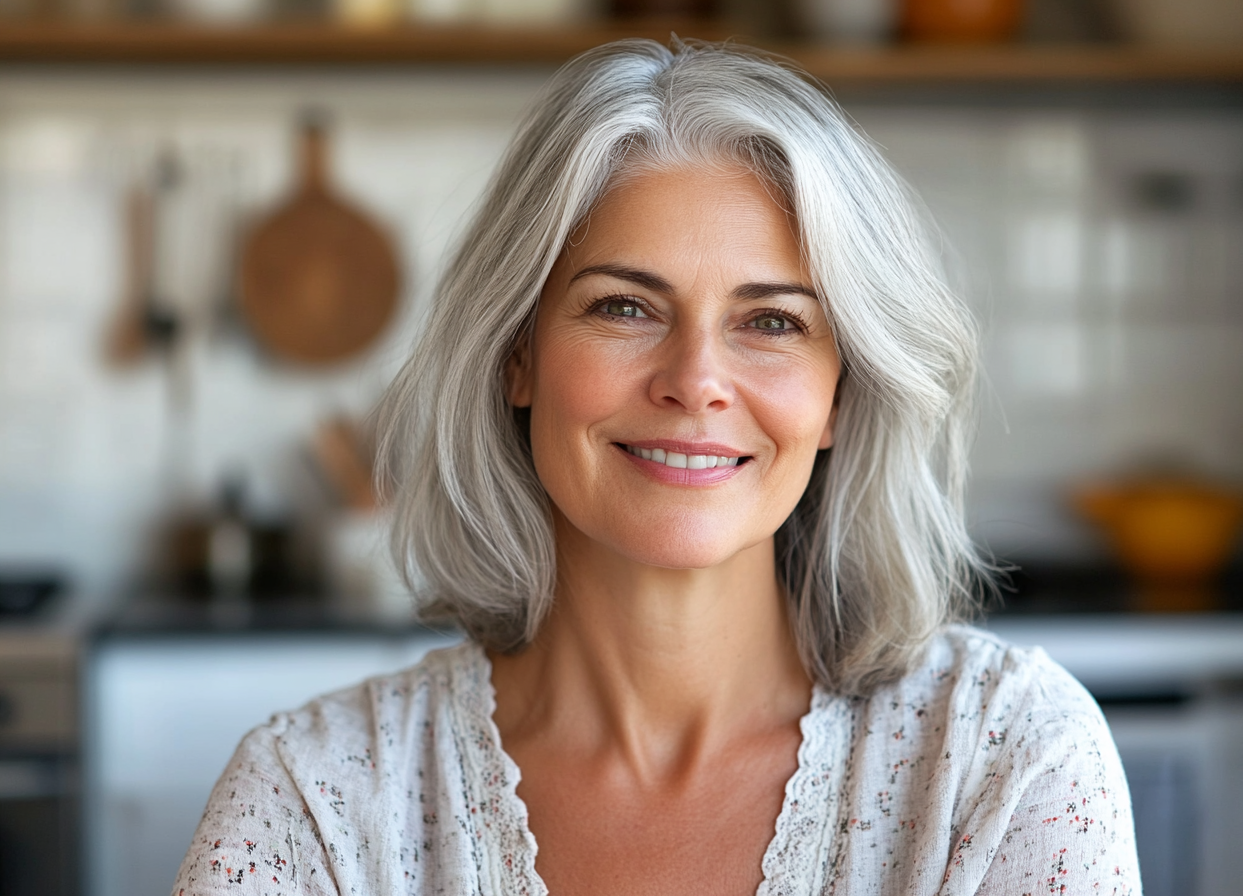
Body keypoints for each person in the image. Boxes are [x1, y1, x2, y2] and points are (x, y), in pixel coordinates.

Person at [174, 39, 1140, 896]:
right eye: (624, 307)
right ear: (516, 354)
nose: (695, 381)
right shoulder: (312, 801)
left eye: (772, 322)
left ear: (841, 394)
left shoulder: (1005, 758)